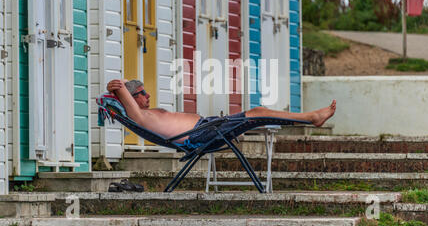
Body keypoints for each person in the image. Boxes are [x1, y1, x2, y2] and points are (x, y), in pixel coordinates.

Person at [106, 79, 336, 143]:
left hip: (207, 126)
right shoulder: (140, 116)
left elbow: (125, 88)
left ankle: (310, 118)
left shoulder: (147, 113)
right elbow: (121, 86)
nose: (148, 96)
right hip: (201, 134)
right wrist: (118, 91)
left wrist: (124, 91)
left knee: (258, 111)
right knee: (257, 113)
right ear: (132, 99)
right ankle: (311, 117)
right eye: (142, 93)